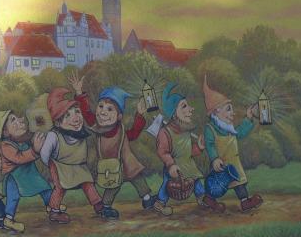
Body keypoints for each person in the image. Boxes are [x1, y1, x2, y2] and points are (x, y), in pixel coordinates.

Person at [69, 75, 154, 215]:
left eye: (110, 109)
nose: (103, 112)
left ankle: (147, 198)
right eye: (101, 106)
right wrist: (79, 93)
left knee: (137, 177)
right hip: (111, 165)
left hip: (127, 163)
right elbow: (86, 113)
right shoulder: (97, 126)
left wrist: (139, 115)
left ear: (119, 116)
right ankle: (106, 207)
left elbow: (133, 134)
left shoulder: (121, 130)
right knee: (112, 184)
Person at [39, 87, 118, 223]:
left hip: (79, 166)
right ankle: (54, 211)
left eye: (77, 112)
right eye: (67, 115)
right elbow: (45, 153)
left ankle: (99, 206)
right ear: (58, 122)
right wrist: (51, 165)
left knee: (88, 184)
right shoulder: (54, 135)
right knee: (60, 188)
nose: (75, 118)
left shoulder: (82, 132)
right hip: (60, 166)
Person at [155, 83, 225, 214]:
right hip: (175, 167)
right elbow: (163, 151)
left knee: (196, 181)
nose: (190, 109)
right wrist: (170, 165)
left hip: (188, 164)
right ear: (174, 114)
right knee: (166, 184)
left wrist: (199, 147)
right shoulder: (165, 132)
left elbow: (187, 151)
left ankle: (202, 198)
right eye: (184, 106)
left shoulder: (185, 130)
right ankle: (160, 202)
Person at [0, 95, 50, 231]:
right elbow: (19, 158)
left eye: (18, 118)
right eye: (13, 120)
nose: (20, 120)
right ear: (5, 131)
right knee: (13, 197)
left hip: (29, 172)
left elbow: (39, 135)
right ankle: (8, 220)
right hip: (14, 176)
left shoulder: (24, 138)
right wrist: (34, 151)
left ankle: (52, 206)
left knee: (45, 187)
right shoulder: (6, 146)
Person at [202, 75, 264, 212]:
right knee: (216, 184)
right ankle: (209, 199)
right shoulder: (210, 128)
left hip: (234, 163)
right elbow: (210, 145)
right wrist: (214, 158)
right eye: (228, 109)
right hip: (220, 164)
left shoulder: (228, 128)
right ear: (217, 110)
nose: (233, 113)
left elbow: (240, 133)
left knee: (239, 182)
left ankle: (244, 202)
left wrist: (248, 118)